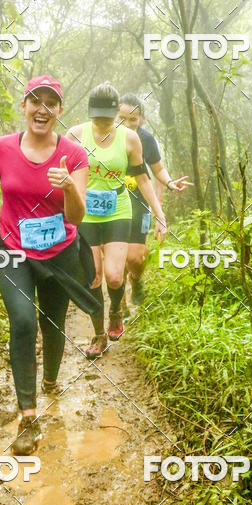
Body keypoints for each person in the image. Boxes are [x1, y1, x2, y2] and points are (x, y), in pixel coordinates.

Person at [0, 75, 98, 456]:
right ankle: (28, 416)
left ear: (59, 110)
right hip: (12, 251)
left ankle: (52, 379)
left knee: (52, 324)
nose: (42, 109)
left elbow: (77, 216)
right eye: (35, 101)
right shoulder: (3, 148)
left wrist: (68, 187)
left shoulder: (74, 155)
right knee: (23, 321)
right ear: (23, 106)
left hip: (59, 253)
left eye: (50, 103)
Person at [66, 82, 167, 359]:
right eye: (97, 117)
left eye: (107, 118)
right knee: (93, 278)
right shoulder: (75, 135)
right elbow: (61, 173)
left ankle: (116, 311)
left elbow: (143, 178)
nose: (102, 123)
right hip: (86, 213)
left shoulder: (130, 139)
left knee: (113, 275)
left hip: (118, 211)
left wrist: (159, 214)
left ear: (115, 114)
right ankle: (98, 334)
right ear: (90, 113)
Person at [117, 93, 191, 309]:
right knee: (117, 258)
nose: (127, 124)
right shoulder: (107, 137)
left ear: (141, 119)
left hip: (139, 204)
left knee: (135, 258)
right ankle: (118, 307)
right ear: (114, 116)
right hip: (113, 205)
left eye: (133, 119)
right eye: (122, 118)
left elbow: (158, 169)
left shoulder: (146, 140)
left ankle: (136, 279)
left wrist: (170, 183)